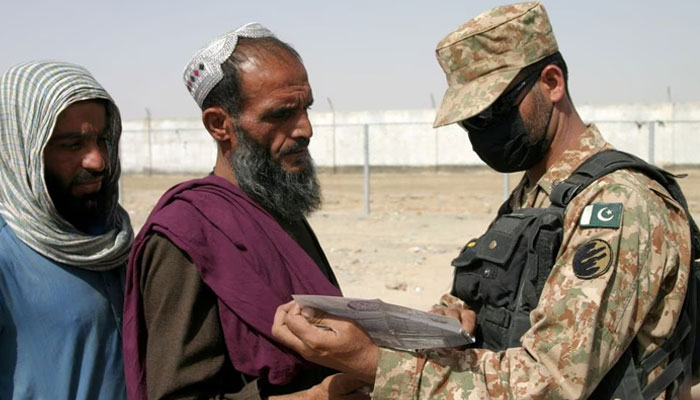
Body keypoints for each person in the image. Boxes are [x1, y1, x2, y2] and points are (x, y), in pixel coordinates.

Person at [272, 2, 695, 399]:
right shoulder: (536, 195)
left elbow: (548, 383)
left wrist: (373, 362)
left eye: (495, 113)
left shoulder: (617, 205)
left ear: (552, 83)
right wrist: (449, 317)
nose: (484, 132)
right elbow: (492, 293)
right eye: (470, 122)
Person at [123, 23, 367, 400]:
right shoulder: (186, 234)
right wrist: (312, 398)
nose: (305, 129)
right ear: (220, 125)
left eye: (306, 108)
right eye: (280, 114)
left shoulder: (278, 209)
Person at [0, 61, 134, 399]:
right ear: (23, 151)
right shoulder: (6, 255)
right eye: (72, 145)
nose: (97, 161)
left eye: (102, 140)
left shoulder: (114, 238)